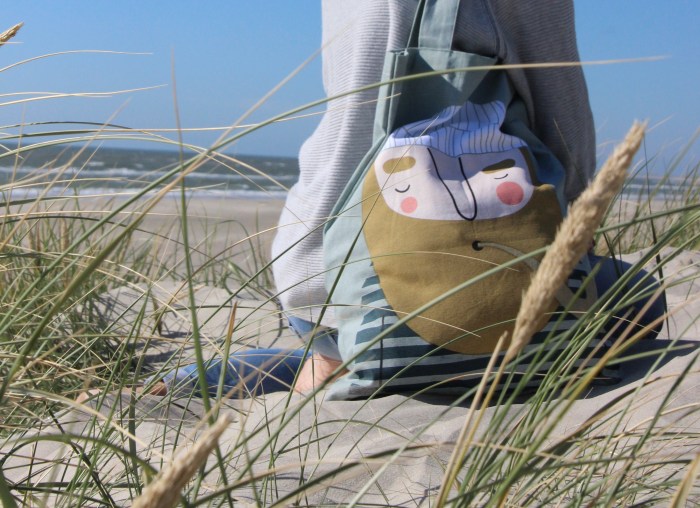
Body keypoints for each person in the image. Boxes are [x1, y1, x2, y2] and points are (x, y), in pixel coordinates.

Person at [146, 0, 665, 399]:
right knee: (644, 299)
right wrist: (575, 228)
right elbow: (562, 116)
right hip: (495, 290)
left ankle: (317, 361)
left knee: (344, 344)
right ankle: (333, 361)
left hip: (318, 279)